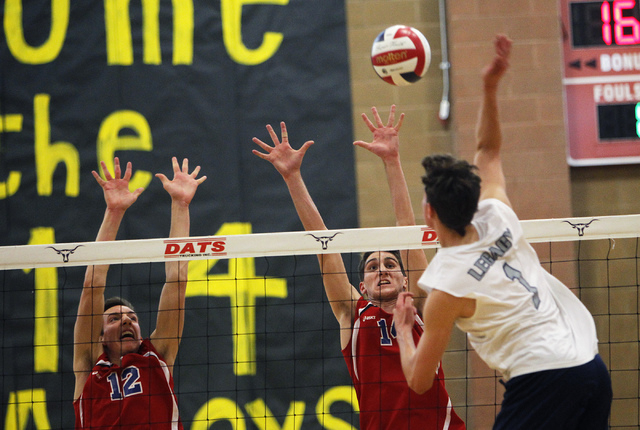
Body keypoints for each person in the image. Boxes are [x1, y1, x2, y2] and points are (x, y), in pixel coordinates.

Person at [393, 35, 613, 430]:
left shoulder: (446, 287)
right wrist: (490, 87)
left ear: (429, 212)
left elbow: (419, 380)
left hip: (543, 380)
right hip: (590, 368)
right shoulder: (497, 215)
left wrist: (405, 330)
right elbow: (489, 151)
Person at [252, 108, 465, 429]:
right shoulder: (353, 312)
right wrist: (292, 177)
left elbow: (407, 229)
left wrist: (392, 162)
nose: (382, 269)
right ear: (362, 286)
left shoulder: (419, 306)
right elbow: (323, 244)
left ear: (406, 278)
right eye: (373, 266)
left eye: (391, 264)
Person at [73, 156, 206, 429]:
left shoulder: (157, 355)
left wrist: (180, 205)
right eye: (114, 319)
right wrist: (114, 212)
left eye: (132, 318)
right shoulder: (89, 365)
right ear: (99, 338)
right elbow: (93, 284)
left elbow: (177, 280)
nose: (126, 321)